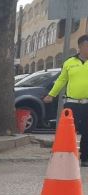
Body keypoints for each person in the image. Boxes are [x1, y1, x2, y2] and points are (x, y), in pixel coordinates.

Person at [45, 34, 88, 166]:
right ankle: (66, 157)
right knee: (69, 131)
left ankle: (85, 158)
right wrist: (51, 94)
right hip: (71, 103)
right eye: (86, 46)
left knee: (87, 131)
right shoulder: (69, 62)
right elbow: (61, 80)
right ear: (80, 47)